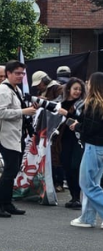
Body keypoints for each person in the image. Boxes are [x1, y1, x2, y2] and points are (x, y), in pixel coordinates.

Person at [0, 60, 38, 217]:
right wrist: (23, 112)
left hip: (15, 136)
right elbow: (0, 113)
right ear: (8, 73)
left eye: (22, 73)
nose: (20, 76)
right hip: (5, 136)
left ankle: (6, 203)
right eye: (17, 73)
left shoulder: (15, 89)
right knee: (10, 170)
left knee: (12, 171)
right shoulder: (3, 91)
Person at [58, 73, 103, 228]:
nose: (86, 85)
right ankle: (87, 218)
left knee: (87, 185)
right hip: (100, 148)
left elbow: (90, 128)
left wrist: (76, 126)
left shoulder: (93, 103)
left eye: (89, 82)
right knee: (94, 184)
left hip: (93, 147)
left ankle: (88, 218)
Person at [58, 78, 85, 209]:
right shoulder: (60, 103)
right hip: (62, 139)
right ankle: (73, 197)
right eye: (75, 89)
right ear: (68, 89)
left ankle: (77, 197)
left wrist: (67, 114)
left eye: (80, 89)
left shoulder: (82, 104)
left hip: (77, 139)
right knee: (66, 166)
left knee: (75, 166)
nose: (77, 92)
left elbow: (82, 120)